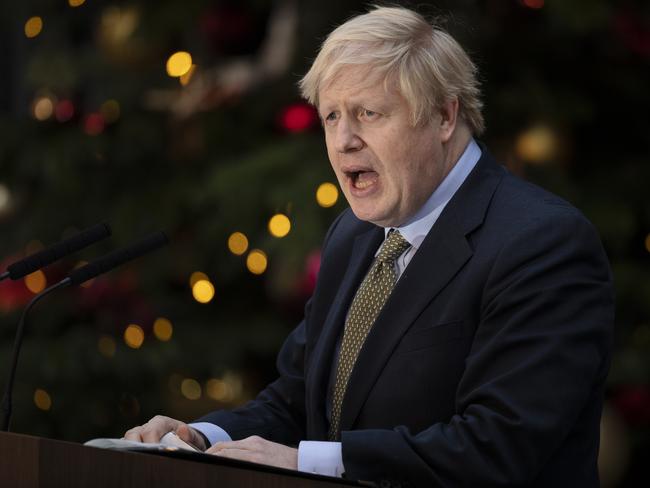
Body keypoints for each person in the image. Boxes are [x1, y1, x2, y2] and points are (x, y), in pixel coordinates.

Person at [125, 6, 614, 487]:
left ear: (444, 116)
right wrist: (202, 436)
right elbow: (299, 399)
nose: (342, 142)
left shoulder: (542, 243)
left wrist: (309, 464)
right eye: (331, 116)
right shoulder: (353, 236)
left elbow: (497, 447)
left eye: (367, 113)